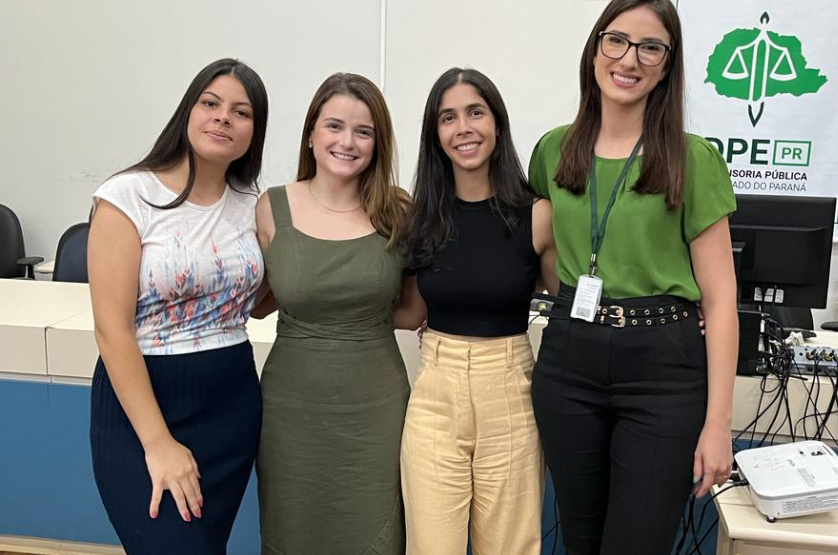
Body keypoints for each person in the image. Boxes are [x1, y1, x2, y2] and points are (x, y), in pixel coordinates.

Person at [528, 1, 739, 553]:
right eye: (617, 41)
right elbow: (542, 253)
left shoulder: (692, 159)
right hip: (570, 358)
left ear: (668, 66)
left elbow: (720, 300)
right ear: (596, 48)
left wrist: (718, 424)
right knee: (579, 538)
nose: (630, 59)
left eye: (651, 47)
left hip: (662, 369)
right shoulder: (553, 149)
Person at [88, 58, 268, 555]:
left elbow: (260, 301)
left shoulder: (251, 202)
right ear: (187, 111)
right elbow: (111, 331)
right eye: (210, 103)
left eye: (241, 111)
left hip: (230, 401)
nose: (222, 118)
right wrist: (159, 443)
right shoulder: (129, 196)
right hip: (145, 407)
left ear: (255, 131)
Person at [252, 72, 421, 555]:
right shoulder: (272, 207)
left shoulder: (398, 210)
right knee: (293, 530)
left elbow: (410, 312)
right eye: (334, 126)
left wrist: (354, 323)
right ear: (311, 133)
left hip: (377, 408)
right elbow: (260, 301)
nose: (347, 142)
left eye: (363, 131)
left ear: (378, 142)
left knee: (375, 530)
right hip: (290, 409)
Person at [399, 67, 558, 555]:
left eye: (475, 112)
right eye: (448, 117)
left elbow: (572, 304)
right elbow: (408, 312)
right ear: (436, 135)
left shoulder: (537, 214)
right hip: (434, 398)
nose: (463, 128)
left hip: (510, 392)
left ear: (497, 123)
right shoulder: (420, 218)